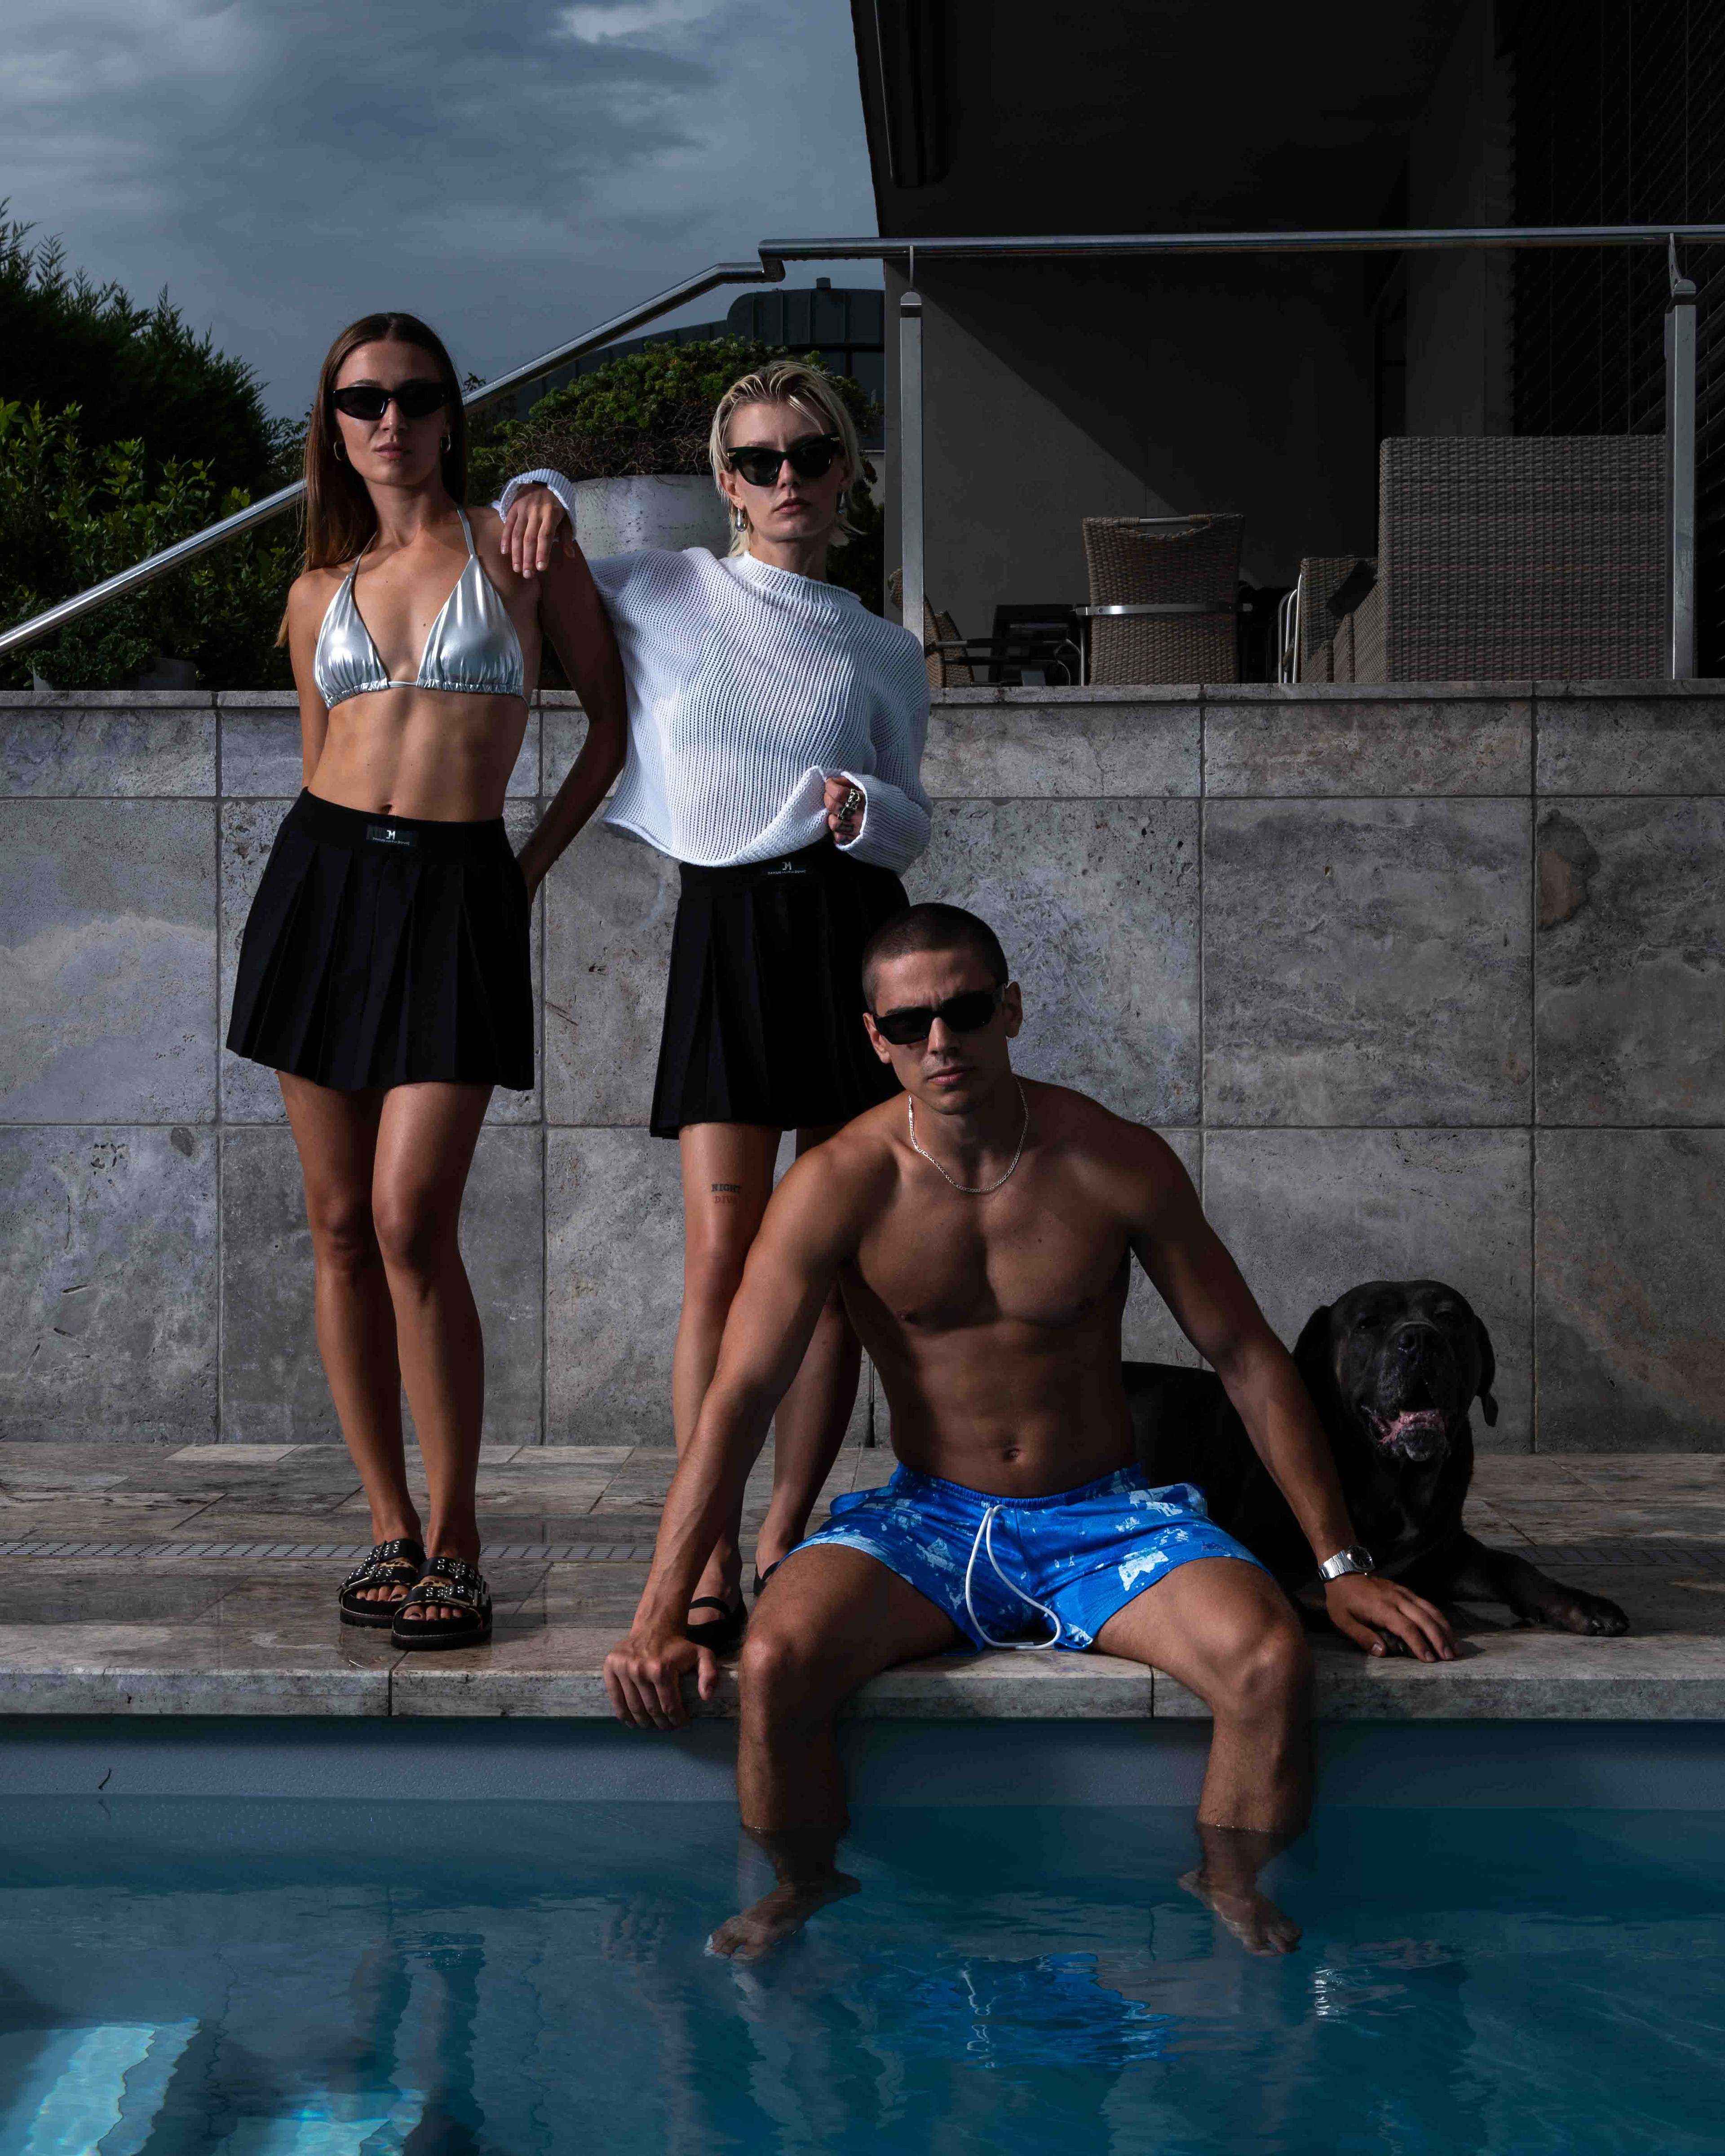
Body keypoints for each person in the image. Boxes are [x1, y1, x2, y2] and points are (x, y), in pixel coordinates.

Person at [603, 903, 1457, 1958]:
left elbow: (1245, 1356)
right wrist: (658, 1614)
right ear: (875, 1037)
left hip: (1104, 1520)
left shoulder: (1112, 1159)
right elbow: (737, 1399)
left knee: (1270, 1659)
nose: (939, 1042)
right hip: (928, 1525)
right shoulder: (837, 1184)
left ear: (1009, 1008)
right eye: (908, 1024)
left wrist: (1340, 1563)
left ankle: (1231, 1884)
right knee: (776, 1659)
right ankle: (802, 1886)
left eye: (964, 1011)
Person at [496, 363, 931, 1650]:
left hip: (851, 927)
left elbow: (915, 815)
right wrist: (538, 483)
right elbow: (538, 546)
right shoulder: (665, 588)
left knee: (837, 1266)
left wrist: (868, 808)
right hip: (728, 933)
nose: (787, 478)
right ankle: (701, 1553)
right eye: (757, 460)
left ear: (846, 473)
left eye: (812, 455)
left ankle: (785, 1533)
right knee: (721, 1264)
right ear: (725, 484)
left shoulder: (883, 646)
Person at [226, 312, 628, 1648]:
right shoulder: (314, 590)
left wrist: (523, 871)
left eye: (414, 395)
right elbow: (315, 760)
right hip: (323, 889)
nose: (388, 420)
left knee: (411, 1220)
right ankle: (390, 1528)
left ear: (453, 413)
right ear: (333, 424)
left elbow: (611, 726)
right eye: (362, 400)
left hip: (459, 890)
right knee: (340, 1225)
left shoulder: (521, 549)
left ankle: (461, 1541)